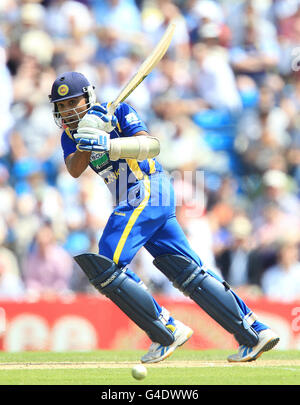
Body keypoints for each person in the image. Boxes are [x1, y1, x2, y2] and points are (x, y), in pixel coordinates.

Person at [49, 71, 279, 363]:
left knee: (106, 262)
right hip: (130, 196)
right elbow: (74, 169)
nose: (69, 110)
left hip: (147, 186)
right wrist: (86, 139)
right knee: (186, 270)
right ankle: (253, 333)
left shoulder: (115, 111)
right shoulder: (70, 135)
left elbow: (150, 146)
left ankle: (165, 330)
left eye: (74, 102)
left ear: (88, 97)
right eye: (63, 105)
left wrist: (108, 143)